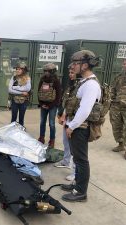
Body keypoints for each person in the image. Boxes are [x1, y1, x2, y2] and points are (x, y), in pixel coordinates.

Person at [61, 50, 101, 202]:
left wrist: (72, 127)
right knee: (77, 159)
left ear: (84, 65)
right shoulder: (83, 82)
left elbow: (85, 110)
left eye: (76, 63)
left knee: (81, 160)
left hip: (81, 127)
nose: (73, 66)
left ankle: (81, 192)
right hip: (76, 125)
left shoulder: (90, 84)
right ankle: (76, 184)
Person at [55, 65, 79, 181]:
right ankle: (65, 161)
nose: (70, 74)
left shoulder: (81, 87)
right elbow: (66, 103)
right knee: (66, 142)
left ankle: (76, 172)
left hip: (76, 121)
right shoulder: (71, 86)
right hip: (68, 119)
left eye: (72, 73)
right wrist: (63, 115)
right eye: (69, 72)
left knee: (75, 148)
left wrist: (73, 124)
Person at [37, 63, 61, 148]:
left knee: (51, 123)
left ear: (53, 71)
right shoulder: (42, 80)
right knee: (42, 122)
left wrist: (50, 106)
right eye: (45, 71)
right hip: (43, 105)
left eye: (48, 71)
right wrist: (41, 104)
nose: (46, 72)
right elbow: (39, 92)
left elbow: (58, 96)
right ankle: (41, 138)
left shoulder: (56, 81)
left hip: (52, 106)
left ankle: (52, 140)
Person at [109, 59, 126, 159]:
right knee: (116, 125)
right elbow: (113, 88)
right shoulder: (119, 77)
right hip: (117, 105)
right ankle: (121, 144)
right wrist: (112, 99)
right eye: (124, 63)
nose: (124, 65)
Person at [8, 61, 31, 126]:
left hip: (24, 101)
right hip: (14, 100)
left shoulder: (27, 78)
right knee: (13, 118)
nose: (18, 70)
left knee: (21, 118)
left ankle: (21, 133)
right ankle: (12, 131)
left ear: (23, 70)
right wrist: (21, 92)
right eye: (17, 69)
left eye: (20, 69)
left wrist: (15, 87)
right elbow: (10, 90)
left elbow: (27, 89)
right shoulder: (14, 77)